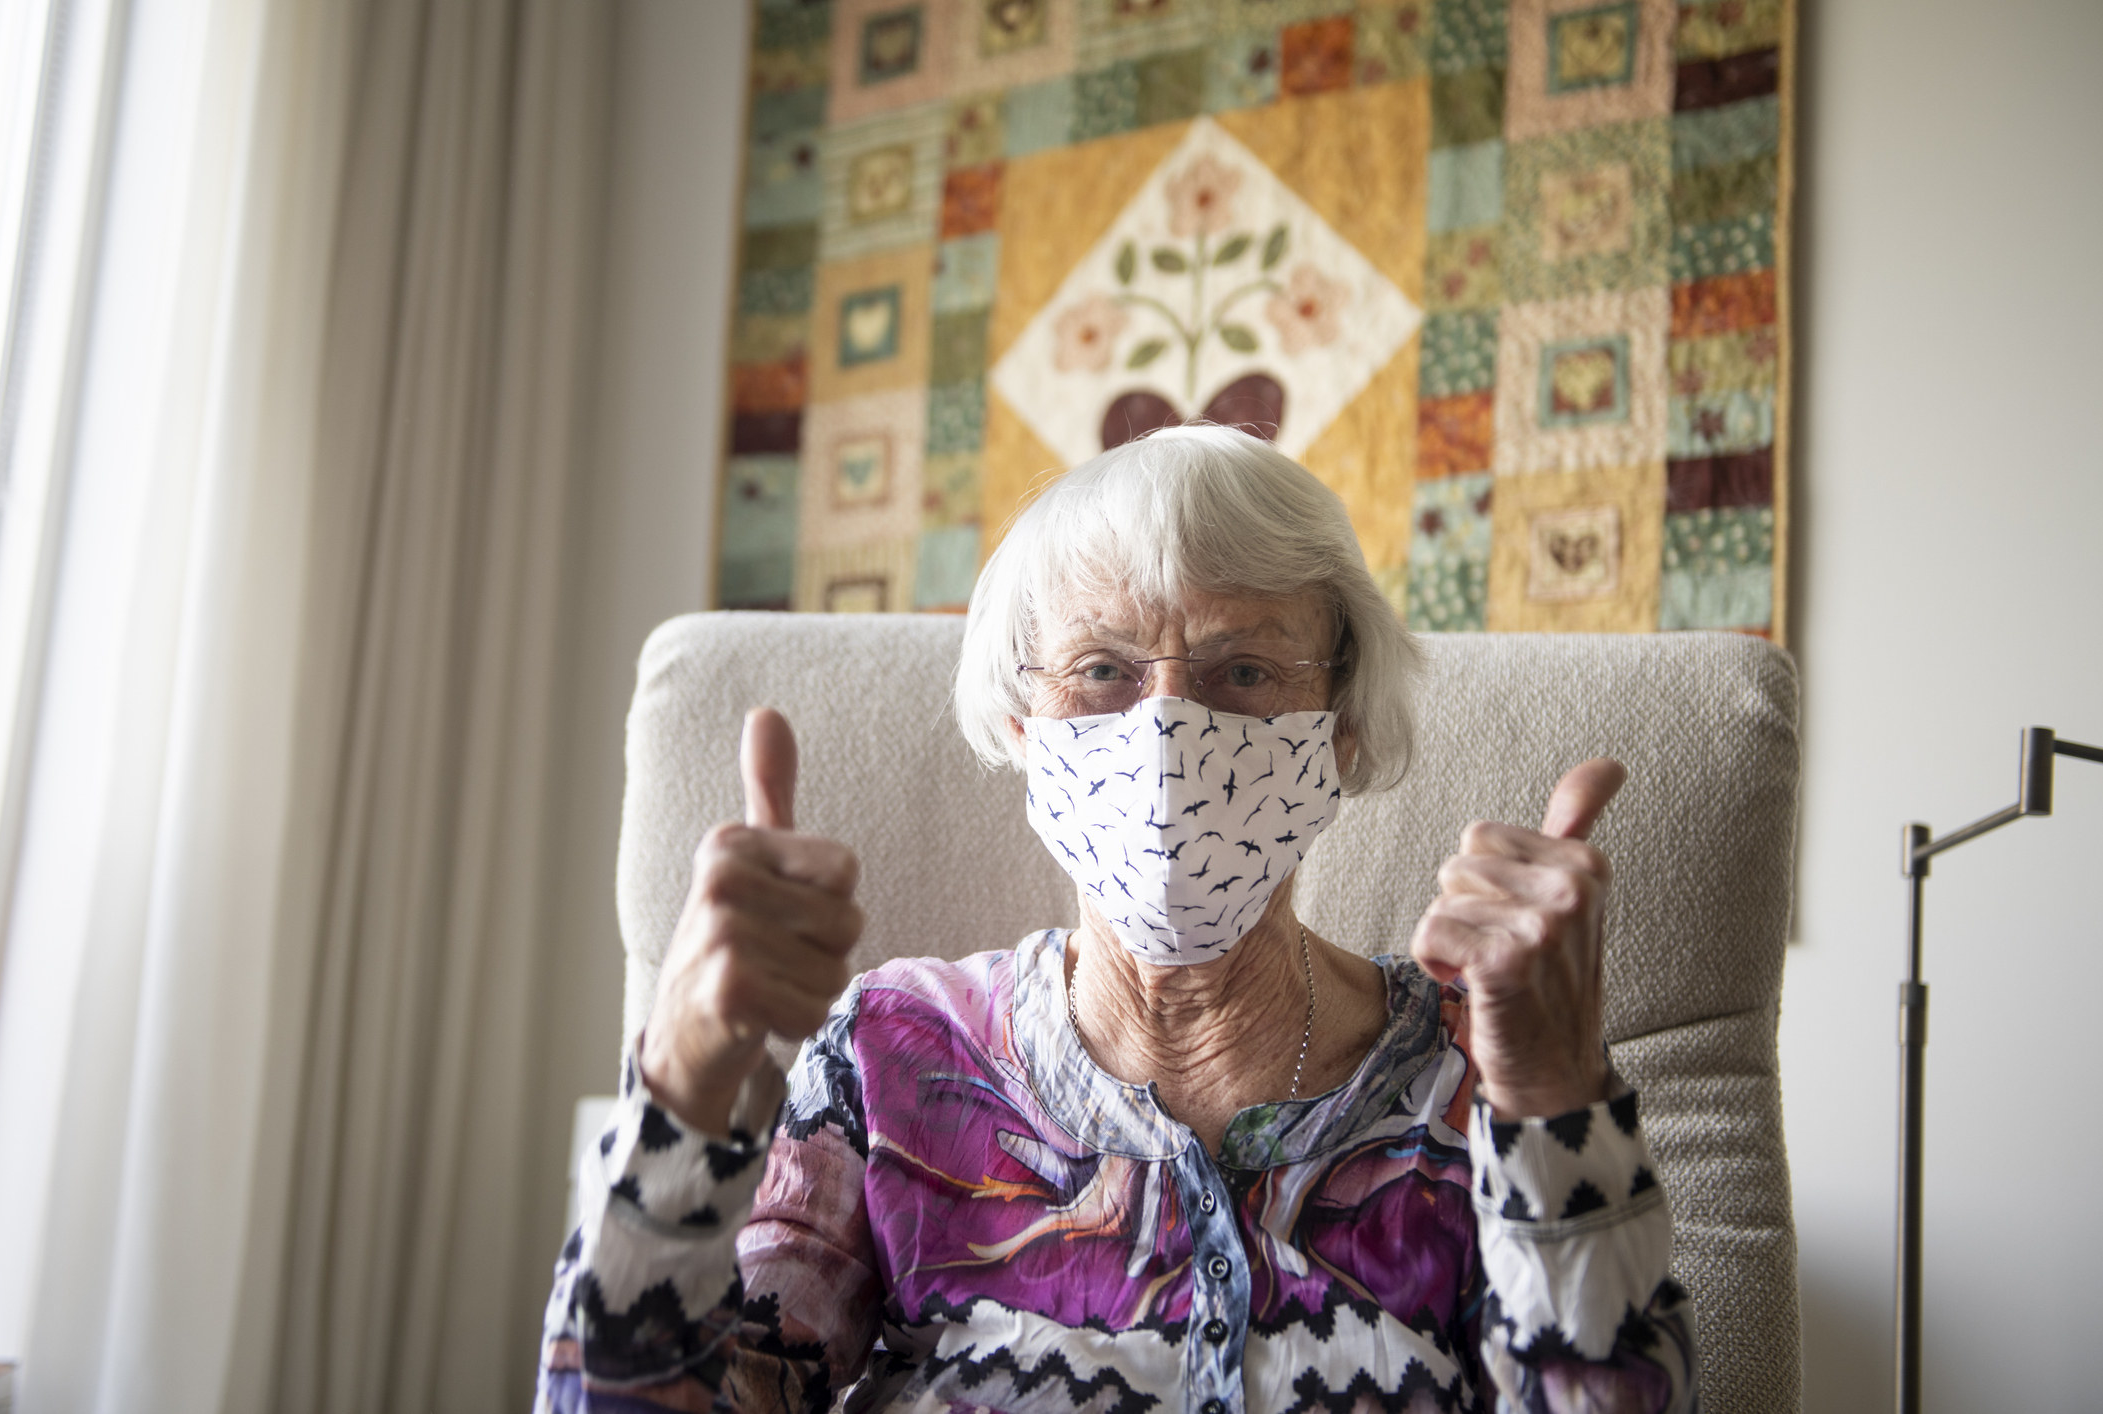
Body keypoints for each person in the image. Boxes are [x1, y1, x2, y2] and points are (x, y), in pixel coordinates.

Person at [537, 425, 1696, 1413]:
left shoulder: (1478, 1071)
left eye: (1243, 670)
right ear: (1026, 725)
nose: (1165, 732)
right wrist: (685, 1087)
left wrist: (1556, 1099)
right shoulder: (895, 1058)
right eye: (1101, 669)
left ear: (1340, 728)